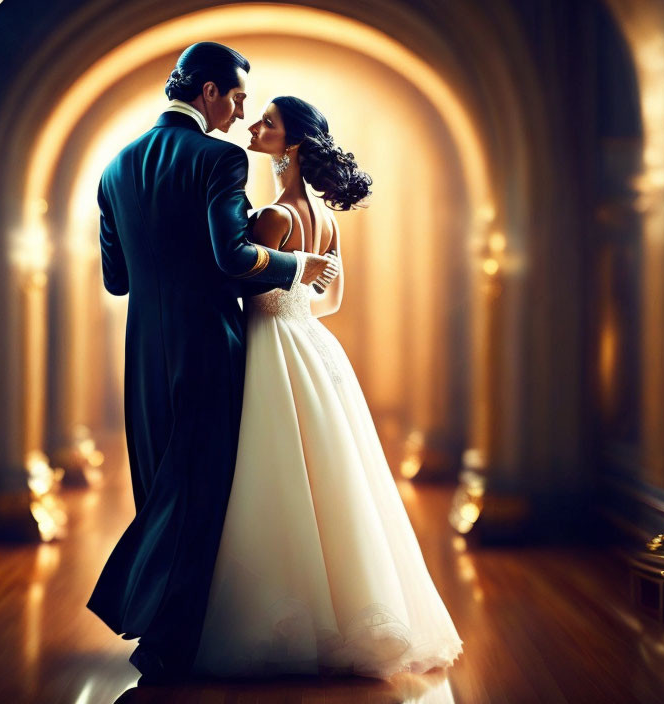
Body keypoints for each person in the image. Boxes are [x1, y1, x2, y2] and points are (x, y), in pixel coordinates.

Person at [86, 46, 340, 683]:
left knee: (159, 488)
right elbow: (233, 259)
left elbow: (116, 279)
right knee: (200, 492)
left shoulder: (114, 166)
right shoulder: (219, 158)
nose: (241, 113)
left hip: (143, 352)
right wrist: (297, 266)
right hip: (207, 343)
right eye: (236, 99)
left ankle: (164, 627)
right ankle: (164, 636)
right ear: (207, 92)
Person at [192, 97, 464, 678]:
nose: (254, 126)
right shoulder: (325, 218)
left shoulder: (274, 217)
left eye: (267, 122)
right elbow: (331, 301)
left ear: (290, 145)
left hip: (271, 343)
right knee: (328, 476)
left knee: (275, 472)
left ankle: (289, 616)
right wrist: (298, 302)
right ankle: (349, 613)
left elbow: (238, 286)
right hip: (312, 344)